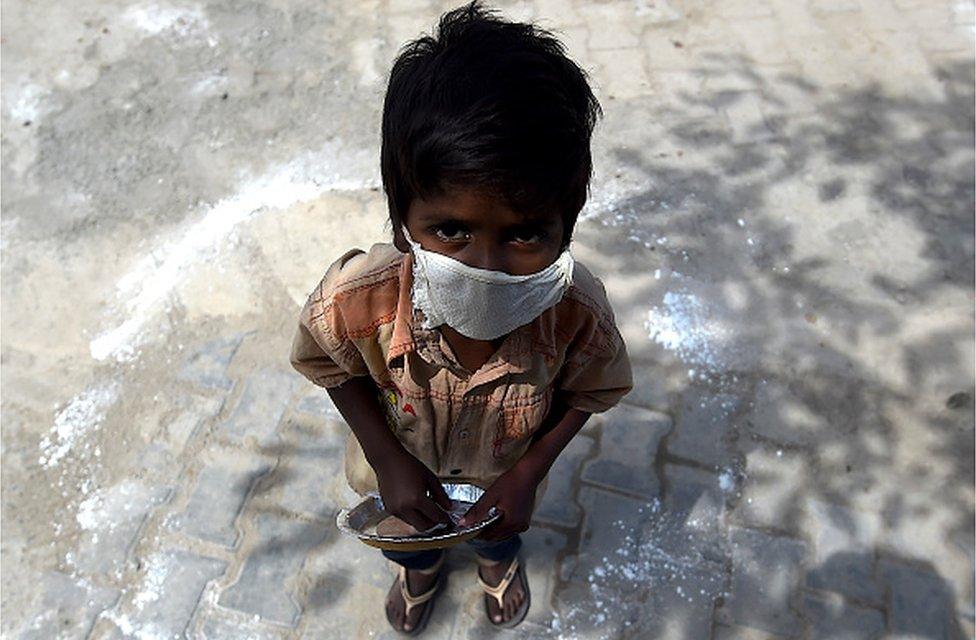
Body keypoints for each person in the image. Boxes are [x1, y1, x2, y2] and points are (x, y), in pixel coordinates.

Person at [289, 1, 633, 633]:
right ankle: (417, 570)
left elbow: (595, 389)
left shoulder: (576, 313)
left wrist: (532, 471)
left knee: (497, 538)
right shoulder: (357, 297)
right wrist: (386, 458)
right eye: (450, 230)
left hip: (504, 488)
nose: (488, 267)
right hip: (397, 483)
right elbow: (323, 362)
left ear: (569, 220)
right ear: (401, 217)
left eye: (526, 234)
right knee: (406, 541)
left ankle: (496, 567)